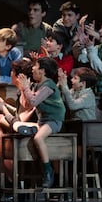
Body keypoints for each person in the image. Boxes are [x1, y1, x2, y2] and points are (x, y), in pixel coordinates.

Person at [14, 57, 66, 188]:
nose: (32, 68)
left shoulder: (48, 85)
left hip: (54, 120)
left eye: (35, 66)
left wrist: (26, 88)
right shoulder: (37, 85)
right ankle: (29, 129)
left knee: (38, 138)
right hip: (42, 121)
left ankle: (48, 171)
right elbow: (26, 104)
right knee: (20, 126)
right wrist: (23, 89)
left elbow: (33, 102)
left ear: (42, 71)